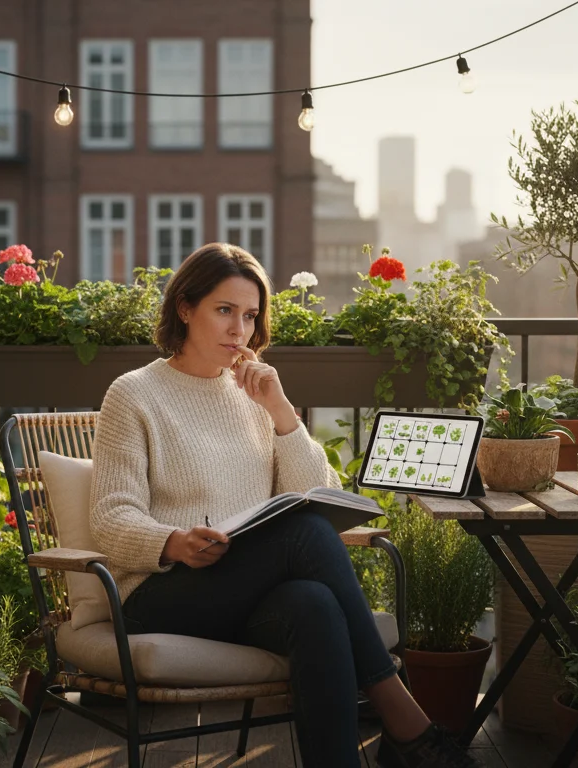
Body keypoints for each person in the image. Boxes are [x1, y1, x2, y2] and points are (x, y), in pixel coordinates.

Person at [89, 243, 480, 768]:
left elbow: (315, 488)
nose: (239, 330)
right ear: (185, 308)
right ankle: (406, 723)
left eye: (250, 316)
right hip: (160, 594)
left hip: (244, 595)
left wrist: (279, 411)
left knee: (314, 605)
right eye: (224, 310)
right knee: (307, 537)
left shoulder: (253, 396)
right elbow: (111, 516)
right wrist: (173, 542)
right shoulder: (133, 394)